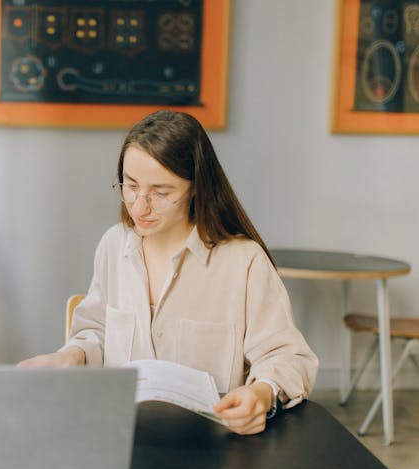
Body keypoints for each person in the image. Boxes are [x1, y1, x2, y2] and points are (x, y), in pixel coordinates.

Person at [19, 110, 318, 435]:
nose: (139, 206)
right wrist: (73, 356)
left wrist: (261, 393)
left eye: (161, 193)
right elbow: (97, 333)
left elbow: (289, 356)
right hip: (120, 434)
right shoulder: (113, 245)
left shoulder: (243, 261)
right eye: (130, 186)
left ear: (196, 189)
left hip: (210, 447)